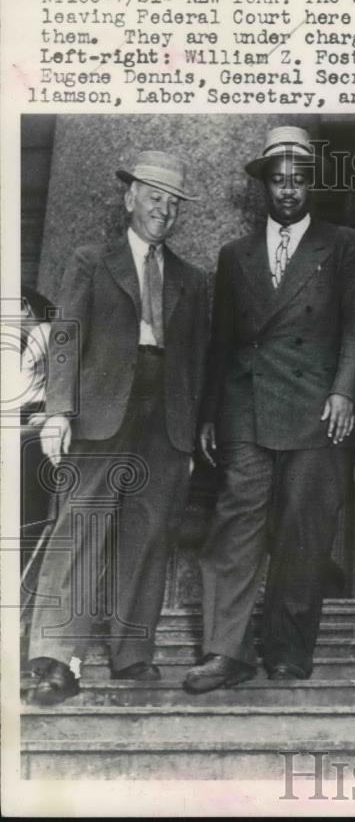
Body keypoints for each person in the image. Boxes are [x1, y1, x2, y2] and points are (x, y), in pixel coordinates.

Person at [183, 126, 355, 693]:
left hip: (317, 411)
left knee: (302, 532)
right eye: (278, 180)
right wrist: (211, 412)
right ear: (264, 186)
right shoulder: (234, 255)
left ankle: (289, 650)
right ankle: (225, 652)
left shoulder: (342, 245)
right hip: (246, 409)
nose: (288, 189)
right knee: (234, 528)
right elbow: (222, 343)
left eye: (298, 179)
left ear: (311, 184)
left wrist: (343, 392)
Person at [28, 151, 209, 704]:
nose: (164, 209)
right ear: (129, 197)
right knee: (81, 525)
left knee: (150, 532)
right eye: (154, 196)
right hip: (102, 409)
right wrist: (58, 410)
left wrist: (195, 431)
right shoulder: (90, 260)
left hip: (168, 414)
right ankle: (58, 660)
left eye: (174, 202)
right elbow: (65, 337)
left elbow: (200, 357)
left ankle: (133, 654)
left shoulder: (191, 279)